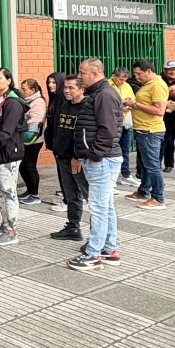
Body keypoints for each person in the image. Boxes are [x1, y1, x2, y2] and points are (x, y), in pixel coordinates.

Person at [67, 58, 123, 271]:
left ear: (96, 72)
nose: (80, 76)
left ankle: (94, 253)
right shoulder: (99, 94)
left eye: (82, 73)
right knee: (105, 205)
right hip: (104, 158)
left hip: (103, 159)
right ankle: (109, 248)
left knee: (99, 206)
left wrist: (94, 155)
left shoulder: (105, 95)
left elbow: (107, 130)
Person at [0, 68, 27, 247]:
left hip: (8, 152)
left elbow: (7, 130)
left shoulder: (13, 103)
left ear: (9, 80)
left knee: (8, 191)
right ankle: (4, 224)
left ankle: (12, 231)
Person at [48, 77, 89, 241]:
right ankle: (73, 227)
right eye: (65, 87)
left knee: (90, 196)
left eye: (71, 88)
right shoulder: (65, 105)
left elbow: (86, 135)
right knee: (71, 195)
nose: (67, 91)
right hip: (62, 156)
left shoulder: (87, 107)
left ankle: (99, 234)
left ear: (81, 89)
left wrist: (77, 156)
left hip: (78, 160)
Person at [124, 60, 168, 209]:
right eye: (135, 74)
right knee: (144, 163)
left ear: (149, 71)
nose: (137, 77)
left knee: (152, 165)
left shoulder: (157, 85)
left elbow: (159, 110)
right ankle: (143, 191)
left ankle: (158, 197)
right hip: (143, 129)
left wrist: (135, 105)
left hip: (150, 131)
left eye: (139, 74)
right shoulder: (149, 85)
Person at [17, 79, 46, 205]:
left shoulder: (38, 102)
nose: (22, 92)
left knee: (30, 165)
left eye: (25, 90)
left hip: (34, 140)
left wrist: (21, 121)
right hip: (25, 138)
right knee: (23, 165)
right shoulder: (27, 101)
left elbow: (35, 120)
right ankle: (29, 191)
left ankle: (34, 194)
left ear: (33, 90)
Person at [45, 73, 69, 213]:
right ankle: (67, 197)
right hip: (56, 140)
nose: (50, 85)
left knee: (64, 172)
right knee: (62, 171)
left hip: (62, 142)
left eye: (54, 82)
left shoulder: (62, 98)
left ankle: (68, 200)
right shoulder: (54, 98)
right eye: (49, 82)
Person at [109, 68, 137, 187]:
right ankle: (111, 177)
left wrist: (129, 105)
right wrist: (120, 105)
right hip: (112, 121)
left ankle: (125, 174)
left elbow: (133, 99)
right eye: (120, 79)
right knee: (111, 149)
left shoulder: (127, 86)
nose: (122, 82)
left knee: (124, 149)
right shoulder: (107, 85)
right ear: (113, 76)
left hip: (125, 121)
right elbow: (108, 103)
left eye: (124, 79)